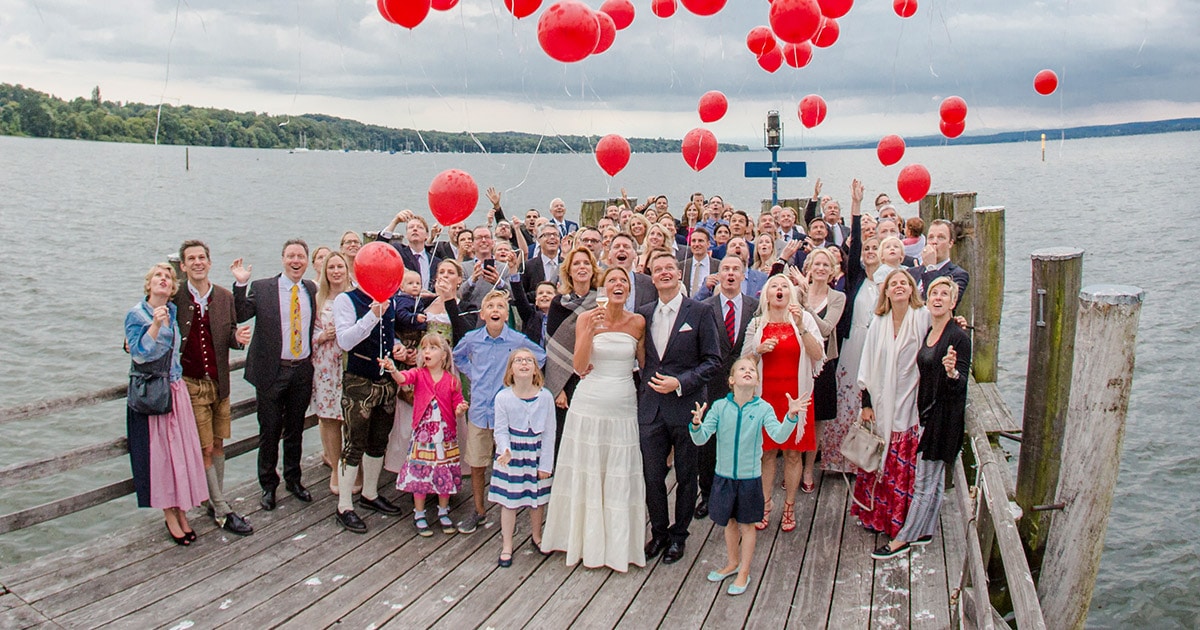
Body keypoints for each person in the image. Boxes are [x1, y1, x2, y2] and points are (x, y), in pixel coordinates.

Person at [542, 267, 647, 571]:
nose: (618, 285)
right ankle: (582, 541)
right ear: (604, 287)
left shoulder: (637, 322)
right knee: (587, 469)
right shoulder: (587, 318)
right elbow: (578, 364)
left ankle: (618, 545)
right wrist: (589, 332)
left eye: (623, 282)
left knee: (618, 471)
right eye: (612, 280)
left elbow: (642, 364)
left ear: (628, 290)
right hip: (589, 402)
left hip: (623, 404)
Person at [873, 277, 971, 559]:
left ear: (953, 302)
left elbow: (961, 381)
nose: (938, 298)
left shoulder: (958, 337)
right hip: (926, 413)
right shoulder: (929, 330)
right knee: (935, 478)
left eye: (945, 294)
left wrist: (952, 372)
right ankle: (925, 531)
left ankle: (903, 539)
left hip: (943, 418)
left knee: (925, 480)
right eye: (934, 293)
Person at [689, 358, 805, 595]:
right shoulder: (720, 407)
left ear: (757, 382)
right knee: (729, 522)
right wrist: (696, 425)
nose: (748, 371)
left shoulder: (763, 408)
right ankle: (732, 562)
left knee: (747, 525)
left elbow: (779, 436)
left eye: (752, 370)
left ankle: (744, 571)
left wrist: (791, 417)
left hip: (750, 478)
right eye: (742, 369)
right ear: (731, 380)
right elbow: (701, 439)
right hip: (723, 477)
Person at [638, 251, 724, 564]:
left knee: (687, 476)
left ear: (678, 272)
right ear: (651, 275)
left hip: (687, 406)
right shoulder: (643, 313)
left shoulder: (699, 311)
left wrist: (681, 383)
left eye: (669, 268)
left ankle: (679, 535)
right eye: (657, 269)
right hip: (650, 409)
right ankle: (658, 532)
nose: (663, 273)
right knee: (651, 476)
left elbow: (713, 361)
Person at [173, 240, 253, 536]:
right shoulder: (176, 296)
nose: (197, 262)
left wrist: (238, 337)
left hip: (219, 383)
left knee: (219, 444)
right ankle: (222, 509)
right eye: (191, 259)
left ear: (209, 262)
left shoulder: (223, 296)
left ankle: (211, 500)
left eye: (201, 258)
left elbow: (229, 334)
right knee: (205, 446)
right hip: (190, 384)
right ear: (182, 266)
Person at [125, 263, 209, 545]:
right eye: (158, 276)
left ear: (173, 288)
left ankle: (181, 509)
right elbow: (138, 354)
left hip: (175, 389)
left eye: (168, 277)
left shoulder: (173, 311)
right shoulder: (136, 314)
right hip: (153, 394)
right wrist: (155, 325)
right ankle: (169, 514)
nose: (163, 280)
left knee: (180, 454)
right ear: (148, 284)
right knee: (161, 457)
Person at [232, 239, 318, 511]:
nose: (296, 261)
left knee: (295, 430)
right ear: (283, 259)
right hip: (272, 370)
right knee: (269, 431)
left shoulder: (310, 289)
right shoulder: (263, 287)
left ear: (306, 261)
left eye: (301, 257)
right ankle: (268, 485)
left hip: (301, 369)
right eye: (291, 256)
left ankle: (294, 479)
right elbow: (241, 313)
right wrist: (240, 284)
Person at [452, 291, 547, 534]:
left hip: (507, 412)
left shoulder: (516, 340)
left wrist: (520, 382)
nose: (495, 310)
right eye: (490, 306)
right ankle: (479, 509)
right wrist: (473, 373)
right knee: (477, 462)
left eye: (501, 306)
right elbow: (457, 356)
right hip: (479, 410)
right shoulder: (473, 339)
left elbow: (540, 356)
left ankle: (510, 509)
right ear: (482, 314)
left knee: (507, 461)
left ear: (507, 314)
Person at [742, 275, 825, 532]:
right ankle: (765, 504)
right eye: (774, 287)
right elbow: (745, 364)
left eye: (784, 287)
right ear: (766, 295)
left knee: (792, 453)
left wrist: (800, 327)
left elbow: (818, 354)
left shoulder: (805, 319)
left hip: (796, 396)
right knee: (766, 453)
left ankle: (789, 505)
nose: (779, 290)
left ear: (792, 294)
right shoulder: (757, 324)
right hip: (766, 397)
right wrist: (759, 350)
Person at [853, 269, 930, 538]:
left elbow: (939, 340)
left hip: (910, 400)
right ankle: (876, 516)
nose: (898, 287)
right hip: (881, 398)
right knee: (878, 456)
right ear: (885, 292)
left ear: (911, 289)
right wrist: (867, 403)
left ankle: (902, 520)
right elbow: (867, 363)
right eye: (892, 284)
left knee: (901, 458)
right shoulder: (879, 321)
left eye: (903, 283)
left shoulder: (922, 317)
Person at [331, 276, 405, 533]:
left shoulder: (390, 300)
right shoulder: (346, 300)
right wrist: (373, 314)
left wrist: (398, 347)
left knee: (378, 442)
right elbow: (345, 341)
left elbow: (389, 336)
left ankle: (370, 494)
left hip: (385, 382)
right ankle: (344, 506)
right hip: (358, 381)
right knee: (353, 444)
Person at [380, 334, 469, 537]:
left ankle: (443, 510)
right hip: (423, 435)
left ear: (444, 356)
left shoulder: (452, 381)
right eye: (424, 348)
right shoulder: (419, 374)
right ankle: (419, 513)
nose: (427, 352)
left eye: (433, 348)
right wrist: (393, 369)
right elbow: (404, 379)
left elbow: (458, 403)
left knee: (443, 473)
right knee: (420, 473)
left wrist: (461, 409)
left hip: (445, 436)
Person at [698, 256, 760, 518]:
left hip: (745, 385)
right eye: (726, 269)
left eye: (736, 269)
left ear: (743, 275)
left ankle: (740, 496)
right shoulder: (703, 307)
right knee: (710, 441)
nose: (731, 274)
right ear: (718, 275)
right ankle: (708, 495)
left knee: (742, 440)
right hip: (711, 383)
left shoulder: (755, 307)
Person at [490, 348, 557, 567]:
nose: (524, 364)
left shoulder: (545, 397)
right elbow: (500, 429)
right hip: (512, 454)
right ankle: (507, 544)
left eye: (529, 360)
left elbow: (550, 432)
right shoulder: (503, 397)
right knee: (509, 502)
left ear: (536, 369)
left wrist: (546, 463)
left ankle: (537, 536)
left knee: (537, 500)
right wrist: (505, 449)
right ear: (511, 369)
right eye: (518, 361)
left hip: (536, 452)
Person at [793, 248, 846, 490]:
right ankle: (793, 464)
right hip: (798, 359)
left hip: (823, 363)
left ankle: (807, 469)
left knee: (817, 419)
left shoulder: (838, 297)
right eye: (818, 264)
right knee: (796, 413)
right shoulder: (796, 292)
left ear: (833, 270)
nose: (822, 268)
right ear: (810, 267)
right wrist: (801, 297)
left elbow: (826, 329)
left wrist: (807, 306)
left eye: (827, 264)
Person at [542, 247, 601, 458]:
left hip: (594, 375)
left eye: (586, 263)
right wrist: (557, 388)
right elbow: (552, 349)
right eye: (576, 263)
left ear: (593, 269)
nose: (582, 267)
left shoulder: (602, 302)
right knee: (564, 440)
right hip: (565, 383)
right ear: (568, 271)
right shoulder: (558, 304)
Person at [311, 252, 362, 495]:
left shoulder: (356, 295)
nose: (336, 271)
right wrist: (322, 336)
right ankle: (334, 465)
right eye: (331, 267)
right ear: (325, 271)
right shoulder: (317, 299)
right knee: (330, 418)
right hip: (325, 366)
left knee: (351, 417)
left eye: (340, 266)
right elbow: (303, 332)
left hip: (350, 363)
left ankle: (352, 464)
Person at [913, 219, 970, 300]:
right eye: (931, 237)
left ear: (950, 243)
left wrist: (930, 268)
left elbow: (937, 302)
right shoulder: (912, 272)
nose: (934, 242)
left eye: (941, 237)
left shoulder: (958, 275)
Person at [682, 228, 718, 298]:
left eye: (700, 241)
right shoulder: (682, 266)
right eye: (693, 241)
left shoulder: (718, 265)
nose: (696, 244)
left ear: (708, 244)